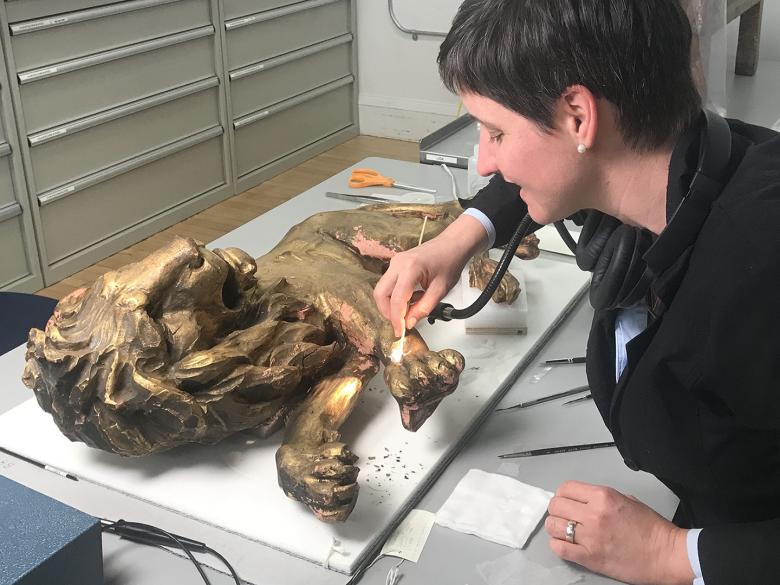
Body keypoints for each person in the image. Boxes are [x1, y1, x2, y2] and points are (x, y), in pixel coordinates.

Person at [373, 1, 780, 584]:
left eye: (495, 132)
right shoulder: (673, 154)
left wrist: (676, 556)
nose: (485, 161)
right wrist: (456, 241)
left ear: (578, 115)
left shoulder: (762, 270)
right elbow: (564, 165)